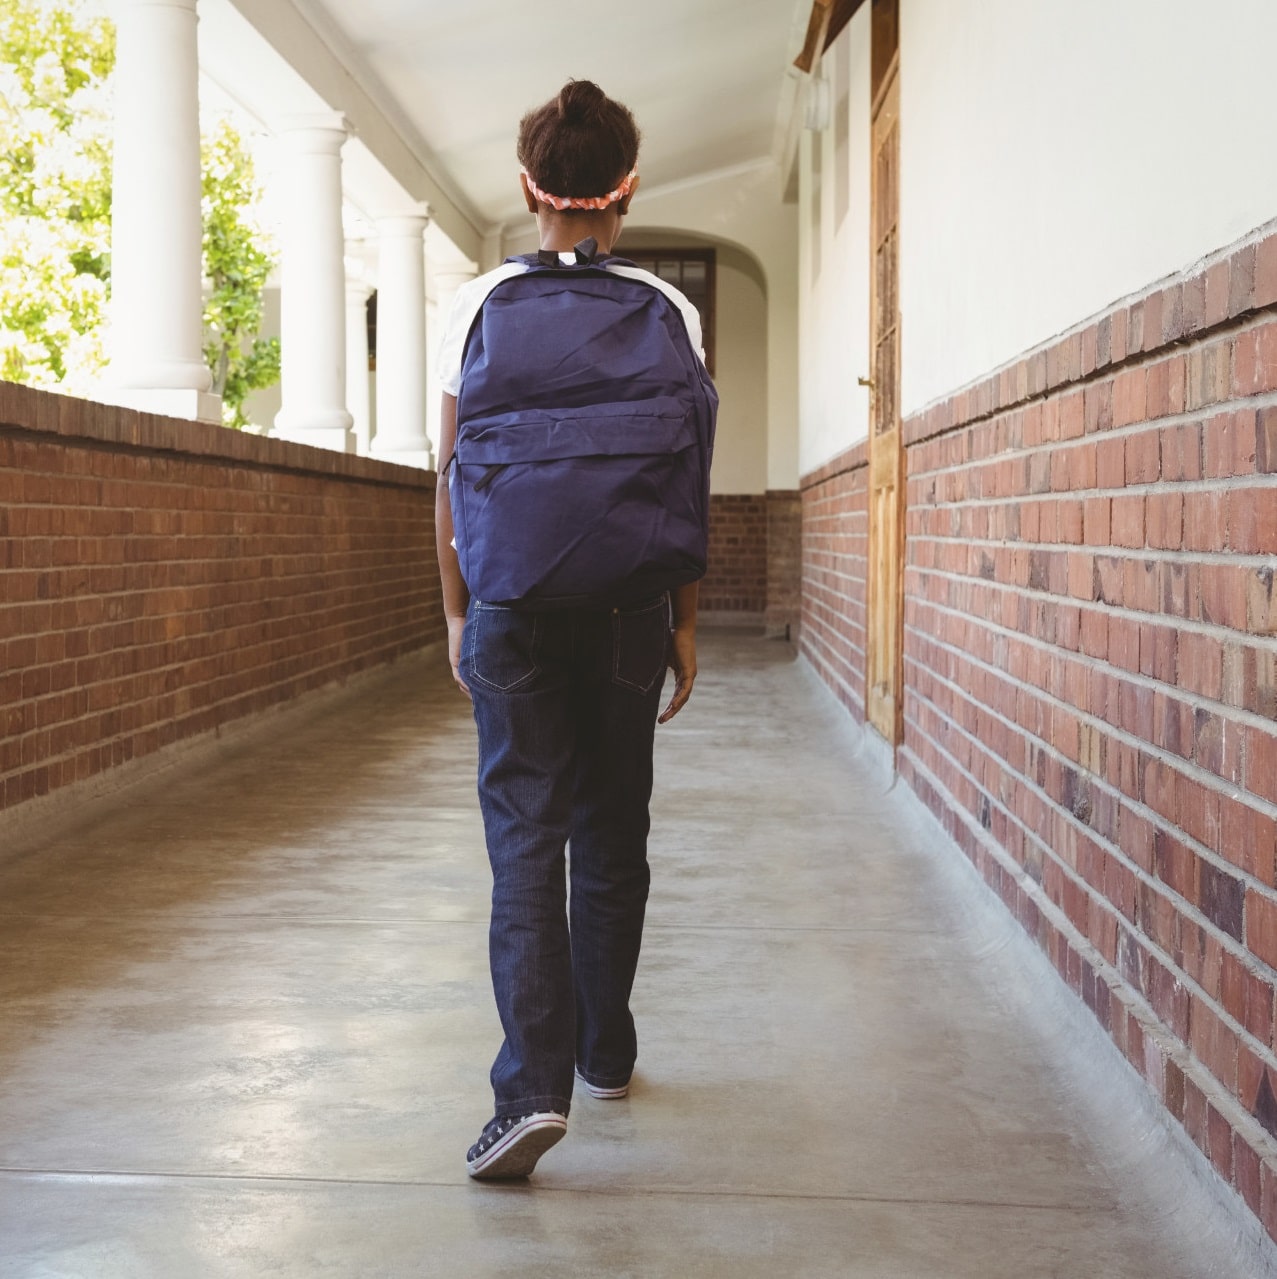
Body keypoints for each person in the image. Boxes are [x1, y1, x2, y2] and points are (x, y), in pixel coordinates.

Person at [433, 79, 712, 1180]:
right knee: (611, 832)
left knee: (523, 843)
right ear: (625, 187)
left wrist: (456, 613)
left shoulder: (472, 302)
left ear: (527, 188)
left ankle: (525, 1092)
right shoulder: (670, 309)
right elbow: (689, 472)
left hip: (508, 605)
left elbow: (446, 476)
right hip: (626, 607)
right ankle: (603, 1051)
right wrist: (684, 623)